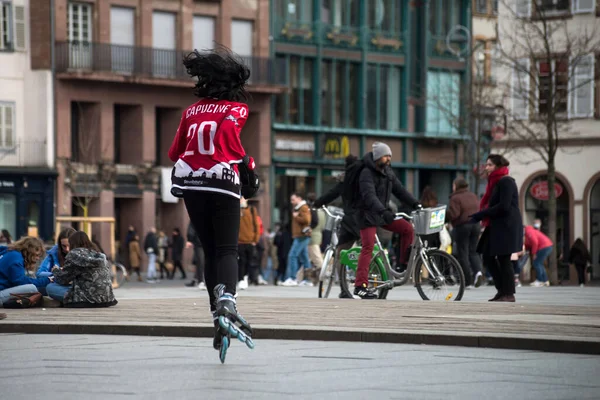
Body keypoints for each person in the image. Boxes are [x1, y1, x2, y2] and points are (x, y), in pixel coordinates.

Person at [167, 46, 257, 355]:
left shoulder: (190, 112)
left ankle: (216, 318)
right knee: (228, 249)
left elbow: (173, 153)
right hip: (221, 182)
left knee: (209, 250)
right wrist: (247, 166)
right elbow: (231, 143)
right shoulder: (236, 109)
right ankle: (228, 301)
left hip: (191, 183)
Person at [354, 142, 421, 299]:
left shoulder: (387, 172)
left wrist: (415, 203)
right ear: (378, 157)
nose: (389, 158)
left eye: (390, 156)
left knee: (407, 229)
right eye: (386, 156)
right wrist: (384, 211)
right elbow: (369, 196)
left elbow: (400, 190)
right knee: (368, 247)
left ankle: (401, 264)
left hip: (381, 213)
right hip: (367, 215)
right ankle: (360, 286)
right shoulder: (366, 173)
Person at [470, 154, 523, 302]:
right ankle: (502, 290)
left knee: (504, 258)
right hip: (496, 224)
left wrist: (482, 214)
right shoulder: (494, 182)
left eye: (490, 165)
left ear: (498, 166)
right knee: (487, 256)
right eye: (486, 165)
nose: (486, 168)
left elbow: (504, 206)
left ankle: (508, 293)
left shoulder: (506, 181)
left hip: (506, 225)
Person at [313, 155, 361, 298]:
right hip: (368, 219)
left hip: (352, 221)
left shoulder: (346, 180)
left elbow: (331, 194)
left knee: (341, 253)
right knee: (367, 249)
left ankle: (344, 289)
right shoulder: (365, 179)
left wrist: (317, 203)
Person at [47, 231, 117, 308]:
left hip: (84, 300)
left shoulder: (74, 254)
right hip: (106, 299)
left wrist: (55, 271)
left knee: (50, 287)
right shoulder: (98, 254)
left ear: (72, 243)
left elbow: (62, 279)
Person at [447, 178, 483, 288]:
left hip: (462, 226)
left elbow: (454, 214)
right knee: (473, 251)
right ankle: (478, 272)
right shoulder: (472, 195)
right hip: (476, 225)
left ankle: (468, 281)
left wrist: (445, 217)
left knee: (463, 253)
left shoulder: (455, 198)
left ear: (456, 186)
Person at [0, 236, 51, 306]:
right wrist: (46, 281)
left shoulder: (10, 253)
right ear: (29, 251)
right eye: (36, 255)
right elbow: (20, 281)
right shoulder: (16, 259)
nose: (37, 258)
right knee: (32, 288)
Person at [281, 193, 312, 287]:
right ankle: (307, 280)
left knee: (292, 255)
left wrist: (296, 217)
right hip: (301, 235)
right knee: (304, 258)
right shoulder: (299, 207)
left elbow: (307, 220)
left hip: (301, 236)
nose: (292, 202)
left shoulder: (303, 207)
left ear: (299, 198)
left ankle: (293, 278)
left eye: (293, 199)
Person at [238, 197, 260, 289]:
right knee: (241, 261)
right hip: (239, 241)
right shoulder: (236, 209)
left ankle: (245, 277)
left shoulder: (252, 210)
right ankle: (241, 279)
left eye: (242, 199)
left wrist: (255, 239)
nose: (240, 200)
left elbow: (256, 225)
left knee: (249, 261)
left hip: (250, 241)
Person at [185, 223, 206, 290]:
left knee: (204, 262)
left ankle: (195, 280)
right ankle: (200, 281)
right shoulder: (198, 213)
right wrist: (189, 239)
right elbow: (192, 225)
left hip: (210, 242)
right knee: (201, 261)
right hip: (199, 243)